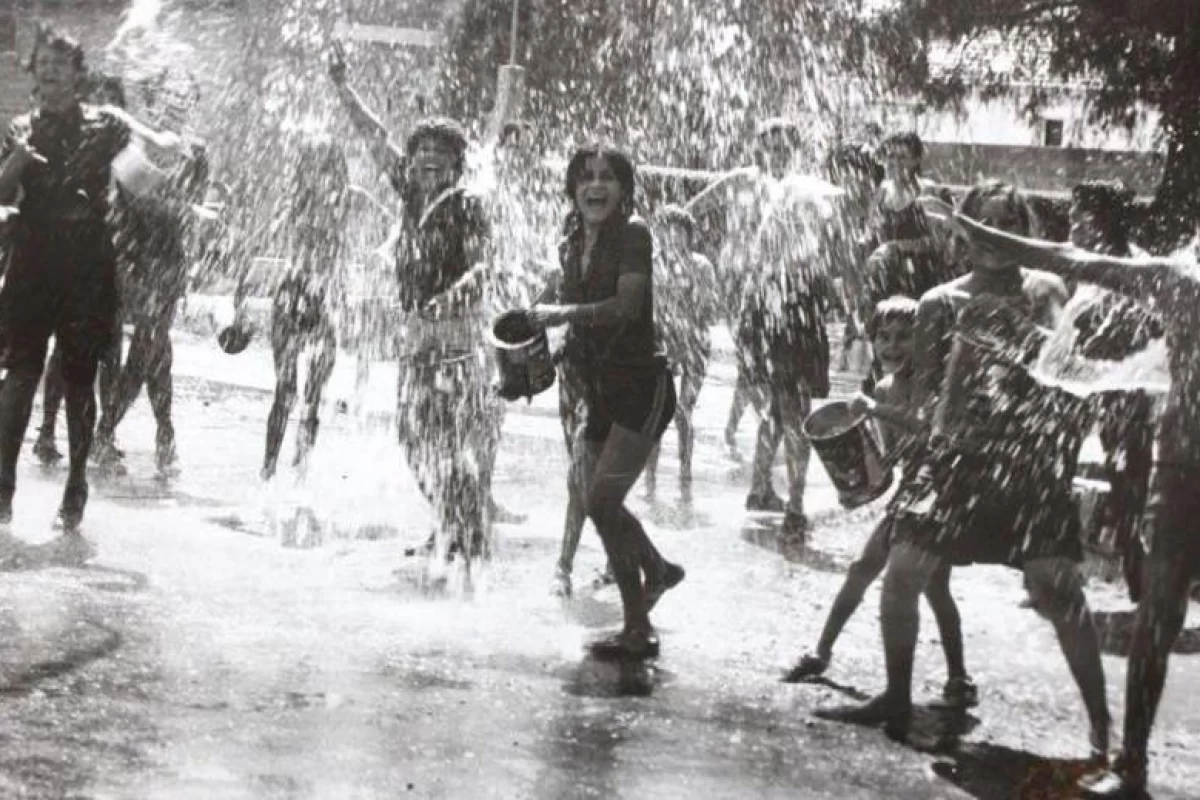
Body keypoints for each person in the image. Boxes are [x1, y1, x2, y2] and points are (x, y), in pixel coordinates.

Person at [918, 192, 1200, 799]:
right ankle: (1130, 762)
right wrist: (971, 226)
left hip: (1182, 470)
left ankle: (1128, 760)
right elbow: (1072, 257)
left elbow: (1069, 259)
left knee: (1158, 613)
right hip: (1182, 471)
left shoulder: (1180, 282)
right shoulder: (1180, 280)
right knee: (1158, 614)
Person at [818, 182, 1110, 762]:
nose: (994, 236)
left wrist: (1013, 336)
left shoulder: (1047, 288)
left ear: (1022, 232)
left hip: (1029, 463)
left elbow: (1073, 375)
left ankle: (1105, 732)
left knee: (1058, 588)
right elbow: (928, 405)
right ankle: (897, 698)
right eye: (982, 224)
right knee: (901, 574)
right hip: (956, 461)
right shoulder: (938, 302)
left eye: (1007, 223)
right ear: (963, 233)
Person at [0, 25, 188, 536]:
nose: (50, 71)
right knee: (19, 375)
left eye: (60, 63)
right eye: (43, 63)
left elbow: (138, 178)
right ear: (34, 72)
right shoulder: (18, 127)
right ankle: (3, 487)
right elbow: (1, 189)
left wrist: (162, 155)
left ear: (78, 75)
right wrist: (17, 158)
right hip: (33, 261)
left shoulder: (103, 126)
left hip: (87, 265)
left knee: (81, 380)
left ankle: (76, 482)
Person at [330, 50, 496, 565]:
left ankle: (467, 533)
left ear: (455, 161)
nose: (427, 157)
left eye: (439, 151)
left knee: (448, 436)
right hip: (418, 333)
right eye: (420, 147)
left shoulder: (468, 204)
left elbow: (484, 267)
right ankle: (454, 524)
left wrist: (452, 297)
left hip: (458, 336)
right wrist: (343, 88)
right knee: (412, 434)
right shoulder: (409, 194)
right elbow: (375, 138)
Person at [782, 295, 977, 708]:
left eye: (904, 337)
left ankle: (958, 677)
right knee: (872, 571)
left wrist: (874, 409)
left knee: (934, 588)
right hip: (911, 496)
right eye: (883, 337)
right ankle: (822, 652)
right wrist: (860, 484)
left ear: (926, 341)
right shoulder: (886, 386)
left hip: (940, 495)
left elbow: (927, 430)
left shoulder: (935, 383)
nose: (891, 346)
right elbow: (894, 458)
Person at [530, 145, 684, 658]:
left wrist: (558, 313)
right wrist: (532, 363)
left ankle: (639, 628)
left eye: (607, 178)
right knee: (599, 501)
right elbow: (570, 320)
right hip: (600, 387)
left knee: (601, 501)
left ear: (624, 188)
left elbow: (625, 306)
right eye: (585, 178)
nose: (595, 186)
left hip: (642, 387)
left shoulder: (635, 235)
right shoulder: (572, 237)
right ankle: (657, 573)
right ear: (572, 188)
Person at [728, 118, 837, 539]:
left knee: (779, 410)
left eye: (783, 146)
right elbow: (766, 263)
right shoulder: (774, 194)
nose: (776, 152)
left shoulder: (797, 192)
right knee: (793, 413)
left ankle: (762, 491)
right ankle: (793, 506)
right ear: (762, 149)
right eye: (770, 146)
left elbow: (812, 259)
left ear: (793, 148)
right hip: (780, 318)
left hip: (788, 315)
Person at [1068, 180, 1159, 601]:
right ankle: (1078, 563)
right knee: (1105, 476)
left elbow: (1141, 334)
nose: (1071, 221)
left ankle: (1138, 566)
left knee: (1128, 482)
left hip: (1125, 390)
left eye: (1079, 213)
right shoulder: (1093, 262)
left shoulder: (1131, 267)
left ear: (1103, 218)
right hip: (1096, 387)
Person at [33, 70, 128, 468]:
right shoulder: (77, 144)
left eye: (112, 103)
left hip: (112, 255)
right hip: (75, 257)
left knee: (111, 348)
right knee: (65, 346)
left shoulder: (120, 143)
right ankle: (48, 431)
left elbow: (134, 196)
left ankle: (103, 433)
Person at [243, 137, 348, 481]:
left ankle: (301, 468)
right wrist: (242, 293)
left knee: (313, 396)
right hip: (292, 300)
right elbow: (262, 238)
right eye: (312, 165)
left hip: (321, 303)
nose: (319, 174)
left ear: (335, 171)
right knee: (284, 390)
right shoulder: (294, 205)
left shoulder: (345, 202)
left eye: (326, 167)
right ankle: (268, 468)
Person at [644, 204, 719, 503]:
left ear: (688, 235)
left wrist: (690, 292)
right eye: (667, 230)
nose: (673, 237)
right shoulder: (651, 264)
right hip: (661, 344)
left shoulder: (701, 266)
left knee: (683, 411)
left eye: (679, 231)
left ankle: (685, 472)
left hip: (694, 345)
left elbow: (708, 308)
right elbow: (644, 306)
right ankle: (649, 477)